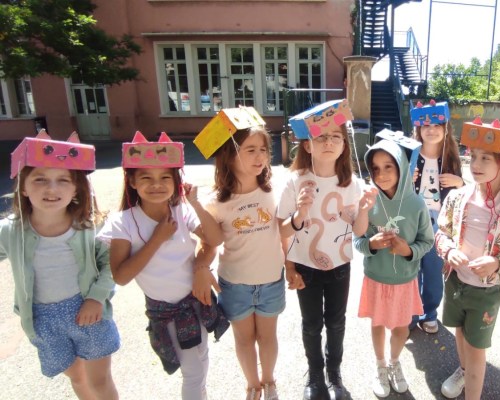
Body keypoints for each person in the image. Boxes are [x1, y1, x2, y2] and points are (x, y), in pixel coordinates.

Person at [98, 132, 228, 400]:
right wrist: (157, 238)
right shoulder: (122, 222)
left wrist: (194, 204)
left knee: (201, 358)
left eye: (165, 177)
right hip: (167, 311)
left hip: (197, 299)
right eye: (146, 177)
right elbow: (121, 276)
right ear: (132, 181)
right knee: (193, 373)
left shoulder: (182, 210)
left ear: (176, 181)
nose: (156, 185)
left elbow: (214, 239)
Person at [0, 131, 120, 399]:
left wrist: (96, 298)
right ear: (23, 186)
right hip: (42, 318)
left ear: (76, 188)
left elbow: (112, 264)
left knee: (100, 381)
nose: (51, 189)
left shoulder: (91, 226)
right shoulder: (9, 231)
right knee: (77, 377)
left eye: (63, 180)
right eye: (40, 179)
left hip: (89, 311)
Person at [277, 99, 377, 400]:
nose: (329, 142)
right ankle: (315, 374)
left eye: (336, 136)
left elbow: (358, 231)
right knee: (311, 325)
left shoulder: (352, 184)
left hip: (339, 266)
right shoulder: (296, 182)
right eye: (321, 137)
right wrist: (300, 214)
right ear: (307, 145)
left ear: (345, 144)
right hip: (305, 267)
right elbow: (282, 231)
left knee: (336, 323)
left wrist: (364, 209)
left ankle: (334, 374)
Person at [436, 119, 500, 399]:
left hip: (486, 290)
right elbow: (442, 232)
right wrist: (449, 250)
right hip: (456, 281)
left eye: (486, 158)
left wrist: (497, 263)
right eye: (473, 156)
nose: (475, 164)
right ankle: (462, 370)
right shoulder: (458, 197)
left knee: (476, 346)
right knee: (460, 331)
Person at [198, 121, 288, 400]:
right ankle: (252, 385)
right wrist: (200, 267)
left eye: (263, 149)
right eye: (250, 150)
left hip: (271, 279)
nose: (260, 156)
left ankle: (269, 381)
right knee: (244, 339)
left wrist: (292, 265)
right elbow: (209, 242)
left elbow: (286, 233)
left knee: (268, 337)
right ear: (229, 155)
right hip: (235, 284)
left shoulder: (275, 190)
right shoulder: (214, 201)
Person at [355, 140, 434, 397]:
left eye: (388, 166)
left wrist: (408, 250)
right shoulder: (369, 200)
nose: (381, 174)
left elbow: (427, 241)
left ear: (401, 166)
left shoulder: (417, 204)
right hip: (375, 278)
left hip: (405, 280)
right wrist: (372, 244)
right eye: (375, 168)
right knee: (377, 323)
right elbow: (357, 239)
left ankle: (394, 361)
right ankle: (380, 364)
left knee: (401, 327)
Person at [410, 100, 464, 334]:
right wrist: (405, 178)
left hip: (440, 224)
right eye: (426, 125)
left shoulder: (451, 158)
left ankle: (429, 313)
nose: (431, 130)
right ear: (419, 129)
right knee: (410, 271)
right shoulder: (409, 155)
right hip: (412, 220)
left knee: (433, 271)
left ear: (445, 129)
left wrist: (460, 182)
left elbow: (464, 195)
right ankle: (409, 314)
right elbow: (392, 187)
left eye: (437, 125)